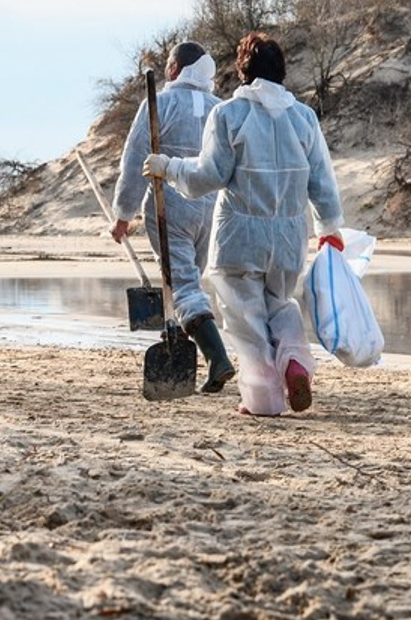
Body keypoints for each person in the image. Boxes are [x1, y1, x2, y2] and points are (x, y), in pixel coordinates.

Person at [143, 32, 344, 417]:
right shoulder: (303, 117)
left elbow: (208, 175)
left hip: (240, 234)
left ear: (243, 70)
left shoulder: (229, 115)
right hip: (288, 236)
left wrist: (168, 167)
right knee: (280, 304)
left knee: (244, 316)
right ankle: (295, 362)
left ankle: (264, 397)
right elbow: (322, 180)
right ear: (281, 69)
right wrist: (329, 226)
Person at [110, 41, 234, 392]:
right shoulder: (220, 109)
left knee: (181, 285)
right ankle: (184, 343)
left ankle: (217, 358)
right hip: (212, 209)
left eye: (169, 62)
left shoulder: (159, 103)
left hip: (172, 207)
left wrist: (123, 214)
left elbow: (135, 161)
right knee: (189, 279)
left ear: (176, 69)